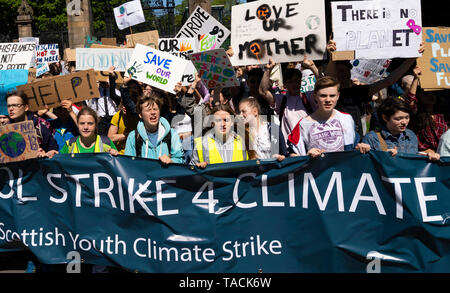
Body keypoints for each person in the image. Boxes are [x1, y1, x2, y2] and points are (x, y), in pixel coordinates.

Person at [326, 38, 425, 136]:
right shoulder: (330, 92)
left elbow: (389, 80)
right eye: (339, 71)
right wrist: (331, 56)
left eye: (346, 70)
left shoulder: (359, 91)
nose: (343, 74)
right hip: (334, 136)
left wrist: (413, 57)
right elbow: (330, 77)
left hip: (356, 139)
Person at [287, 76, 371, 158]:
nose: (328, 100)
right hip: (317, 171)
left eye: (332, 96)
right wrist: (307, 156)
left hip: (343, 170)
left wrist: (361, 148)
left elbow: (353, 147)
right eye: (323, 96)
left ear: (338, 96)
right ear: (315, 96)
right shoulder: (303, 124)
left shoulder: (347, 119)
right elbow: (292, 156)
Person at [259, 57, 320, 143]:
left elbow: (325, 86)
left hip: (310, 146)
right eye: (291, 82)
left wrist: (312, 67)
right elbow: (263, 92)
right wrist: (268, 70)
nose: (294, 84)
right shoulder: (281, 100)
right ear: (285, 85)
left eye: (297, 81)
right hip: (290, 150)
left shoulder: (309, 97)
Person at [362, 98, 440, 161]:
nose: (404, 122)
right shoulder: (372, 138)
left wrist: (427, 155)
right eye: (398, 119)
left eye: (407, 117)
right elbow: (365, 166)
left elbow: (413, 159)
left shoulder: (411, 135)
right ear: (385, 118)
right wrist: (383, 156)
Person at [124, 94, 184, 164]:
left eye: (155, 109)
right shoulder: (133, 136)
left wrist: (171, 161)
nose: (153, 112)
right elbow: (127, 164)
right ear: (140, 115)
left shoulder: (172, 133)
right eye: (148, 110)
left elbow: (181, 160)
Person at [191, 104, 248, 168]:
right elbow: (191, 172)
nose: (222, 124)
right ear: (212, 123)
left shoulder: (242, 141)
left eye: (226, 120)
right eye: (218, 120)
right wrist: (198, 167)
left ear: (232, 122)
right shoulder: (201, 144)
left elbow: (249, 168)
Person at [6, 91, 58, 157]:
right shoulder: (5, 131)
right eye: (9, 106)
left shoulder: (40, 128)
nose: (11, 109)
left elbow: (53, 150)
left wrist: (45, 154)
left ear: (26, 107)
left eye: (15, 105)